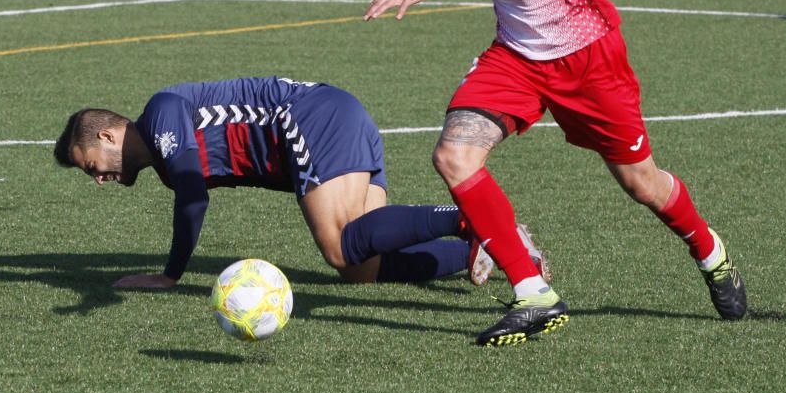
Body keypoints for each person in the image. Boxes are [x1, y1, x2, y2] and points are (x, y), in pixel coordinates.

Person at [364, 0, 747, 346]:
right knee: (454, 155)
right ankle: (533, 292)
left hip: (586, 51)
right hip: (517, 54)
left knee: (641, 182)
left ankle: (709, 250)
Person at [54, 76, 550, 289]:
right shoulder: (163, 158)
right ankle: (479, 253)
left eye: (90, 163)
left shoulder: (161, 113)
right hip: (333, 116)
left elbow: (193, 195)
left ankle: (472, 222)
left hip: (310, 120)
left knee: (338, 246)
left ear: (107, 133)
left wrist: (170, 276)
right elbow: (186, 185)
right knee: (361, 267)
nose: (97, 177)